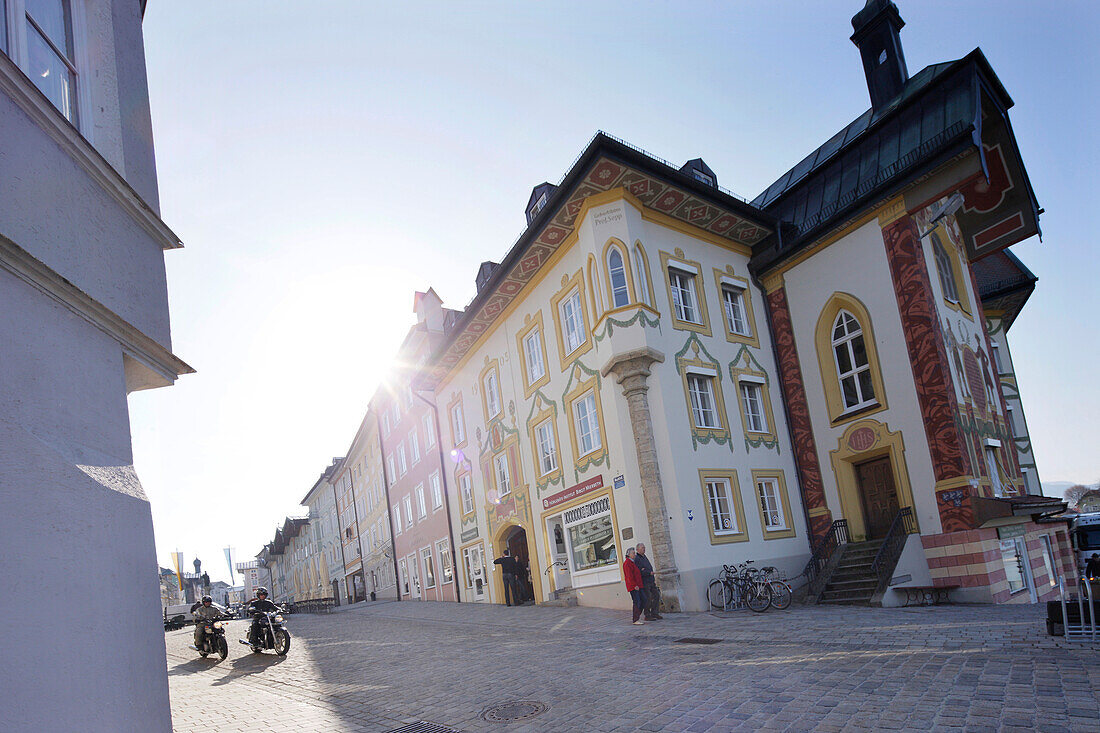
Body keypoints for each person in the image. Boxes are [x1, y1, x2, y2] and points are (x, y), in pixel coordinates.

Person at [634, 542, 663, 620]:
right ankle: (647, 614)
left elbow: (645, 567)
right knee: (648, 598)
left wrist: (648, 571)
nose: (644, 549)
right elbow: (639, 571)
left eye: (644, 547)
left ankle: (655, 612)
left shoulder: (644, 557)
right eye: (642, 548)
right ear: (638, 549)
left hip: (651, 580)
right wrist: (648, 572)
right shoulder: (637, 558)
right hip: (645, 582)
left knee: (656, 595)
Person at [623, 547, 646, 625]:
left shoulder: (633, 562)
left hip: (639, 585)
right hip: (633, 586)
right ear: (629, 555)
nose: (635, 554)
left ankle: (637, 615)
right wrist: (634, 585)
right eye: (633, 553)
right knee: (637, 601)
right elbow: (629, 576)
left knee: (644, 600)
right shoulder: (627, 563)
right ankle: (635, 619)